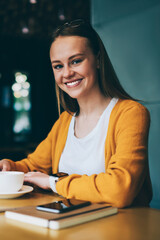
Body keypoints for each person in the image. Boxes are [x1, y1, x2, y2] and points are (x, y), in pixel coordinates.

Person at [0, 19, 152, 208]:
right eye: (58, 66)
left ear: (97, 59)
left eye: (76, 61)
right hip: (70, 227)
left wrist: (53, 183)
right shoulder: (65, 121)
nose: (67, 73)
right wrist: (9, 167)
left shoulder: (131, 114)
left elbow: (121, 189)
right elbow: (33, 166)